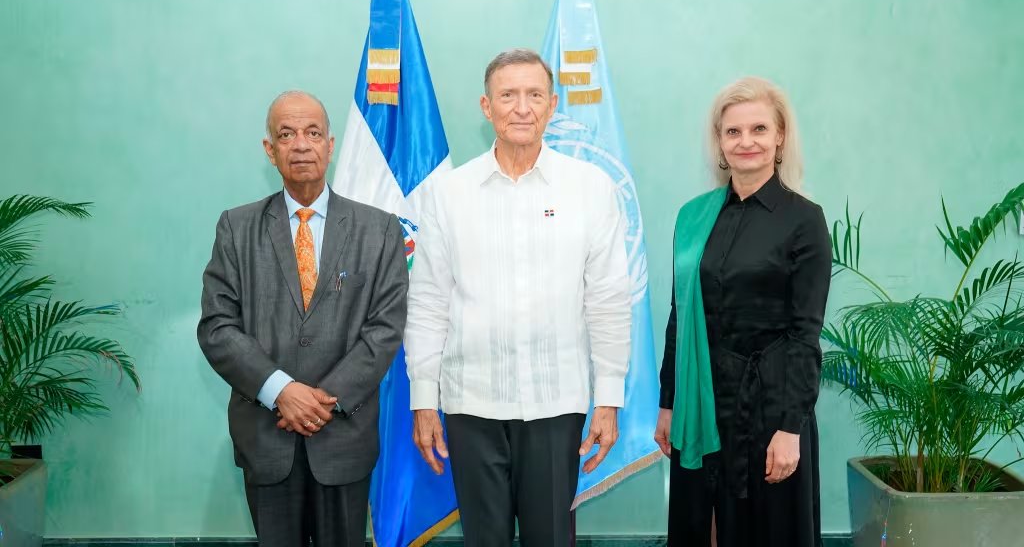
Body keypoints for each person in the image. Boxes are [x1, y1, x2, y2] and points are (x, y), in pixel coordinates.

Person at [404, 48, 632, 546]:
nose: (522, 108)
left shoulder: (590, 188)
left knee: (550, 538)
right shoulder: (450, 193)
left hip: (556, 404)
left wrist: (609, 399)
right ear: (487, 107)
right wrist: (424, 400)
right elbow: (427, 303)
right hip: (471, 403)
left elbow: (609, 300)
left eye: (534, 95)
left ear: (553, 105)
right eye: (508, 95)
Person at [197, 90, 408, 546]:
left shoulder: (380, 229)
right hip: (267, 438)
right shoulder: (236, 228)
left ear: (331, 145)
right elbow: (218, 327)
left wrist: (321, 400)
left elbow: (385, 327)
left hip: (344, 438)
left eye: (313, 133)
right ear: (269, 150)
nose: (301, 144)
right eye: (286, 134)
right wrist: (282, 391)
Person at [654, 77, 831, 546]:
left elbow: (805, 332)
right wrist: (668, 402)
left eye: (758, 129)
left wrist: (790, 427)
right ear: (719, 143)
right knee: (701, 526)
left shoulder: (803, 219)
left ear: (779, 139)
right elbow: (679, 316)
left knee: (766, 531)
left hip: (770, 406)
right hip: (702, 400)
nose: (746, 141)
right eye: (733, 132)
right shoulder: (694, 217)